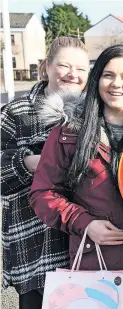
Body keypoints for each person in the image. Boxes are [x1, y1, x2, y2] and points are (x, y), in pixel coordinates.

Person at [29, 45, 123, 309]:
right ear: (97, 80)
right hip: (95, 272)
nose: (116, 84)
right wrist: (85, 223)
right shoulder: (68, 132)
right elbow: (43, 193)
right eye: (108, 75)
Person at [1, 36, 89, 309]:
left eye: (81, 69)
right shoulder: (17, 112)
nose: (72, 74)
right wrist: (34, 162)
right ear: (47, 67)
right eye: (64, 65)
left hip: (83, 235)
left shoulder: (92, 113)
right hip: (34, 239)